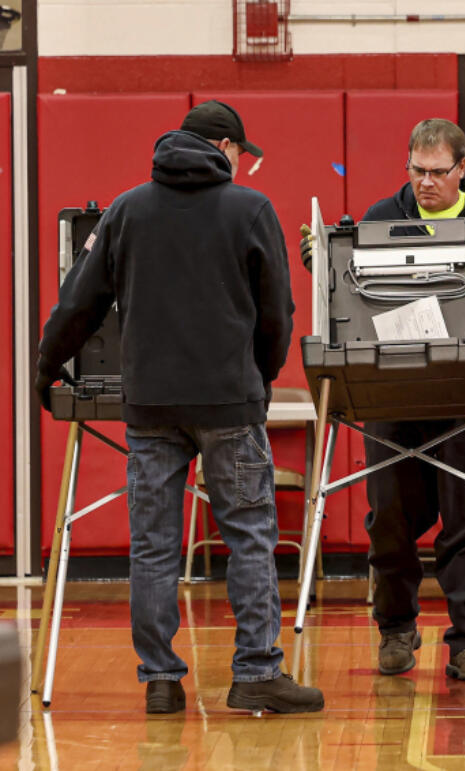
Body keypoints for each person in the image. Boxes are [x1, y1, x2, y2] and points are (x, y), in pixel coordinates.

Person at [35, 100, 323, 715]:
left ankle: (160, 680)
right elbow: (278, 314)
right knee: (247, 535)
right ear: (224, 149)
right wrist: (261, 379)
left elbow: (79, 303)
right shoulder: (251, 210)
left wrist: (47, 363)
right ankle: (256, 673)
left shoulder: (127, 210)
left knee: (155, 543)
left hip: (150, 404)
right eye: (242, 154)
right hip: (229, 401)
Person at [304, 118, 465, 681]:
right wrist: (322, 268)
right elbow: (346, 296)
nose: (426, 183)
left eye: (439, 173)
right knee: (389, 518)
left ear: (462, 170)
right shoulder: (379, 219)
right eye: (417, 170)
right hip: (392, 393)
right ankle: (395, 629)